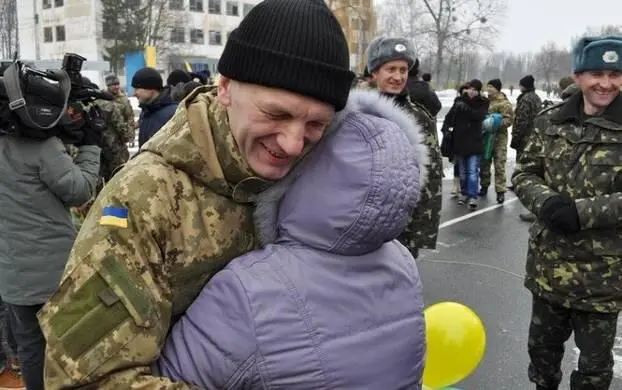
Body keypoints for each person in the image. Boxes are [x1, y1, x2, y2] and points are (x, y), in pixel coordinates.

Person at [37, 0, 355, 388]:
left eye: (316, 123)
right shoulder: (145, 200)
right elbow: (87, 380)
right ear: (225, 88)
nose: (293, 144)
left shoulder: (324, 175)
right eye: (276, 114)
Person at [155, 89, 428, 388]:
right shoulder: (402, 262)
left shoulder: (249, 290)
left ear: (305, 175)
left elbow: (169, 376)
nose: (291, 143)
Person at [512, 35, 622, 390]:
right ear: (578, 76)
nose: (606, 83)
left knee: (593, 371)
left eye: (615, 73)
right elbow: (525, 172)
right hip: (549, 269)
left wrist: (581, 213)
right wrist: (546, 202)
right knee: (541, 357)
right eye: (596, 73)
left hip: (603, 276)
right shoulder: (549, 120)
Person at [0, 95, 101, 389]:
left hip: (12, 275)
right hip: (55, 274)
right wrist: (90, 144)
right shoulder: (42, 148)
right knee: (70, 345)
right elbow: (80, 190)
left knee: (32, 349)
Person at [365, 36, 442, 259]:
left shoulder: (420, 117)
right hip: (364, 220)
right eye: (391, 69)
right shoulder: (359, 113)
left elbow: (431, 175)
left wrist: (421, 232)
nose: (398, 77)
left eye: (403, 70)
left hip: (404, 224)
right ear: (374, 73)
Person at [441, 79, 489, 210]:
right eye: (470, 89)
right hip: (460, 142)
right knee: (462, 172)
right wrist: (446, 130)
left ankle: (472, 196)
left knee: (472, 171)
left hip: (474, 142)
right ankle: (464, 193)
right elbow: (449, 118)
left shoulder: (483, 102)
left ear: (479, 91)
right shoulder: (458, 102)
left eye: (475, 89)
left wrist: (465, 107)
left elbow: (478, 115)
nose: (471, 92)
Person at [510, 74, 542, 222]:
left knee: (524, 166)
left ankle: (520, 186)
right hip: (534, 136)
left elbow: (521, 120)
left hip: (525, 137)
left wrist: (516, 138)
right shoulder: (536, 98)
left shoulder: (525, 99)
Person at [480, 78, 514, 203]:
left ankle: (500, 191)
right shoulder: (484, 101)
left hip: (499, 139)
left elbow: (509, 120)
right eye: (488, 86)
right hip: (485, 137)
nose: (489, 89)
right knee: (484, 162)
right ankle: (484, 186)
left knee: (499, 164)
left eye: (492, 87)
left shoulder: (504, 103)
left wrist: (494, 123)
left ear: (497, 89)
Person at [132, 67, 178, 148]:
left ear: (151, 88)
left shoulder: (173, 113)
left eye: (137, 88)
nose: (134, 93)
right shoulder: (146, 112)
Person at [104, 74, 136, 146]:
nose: (117, 87)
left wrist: (131, 137)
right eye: (114, 85)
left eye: (118, 84)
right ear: (108, 86)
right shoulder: (102, 98)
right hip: (104, 139)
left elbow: (130, 118)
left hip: (119, 138)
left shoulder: (123, 99)